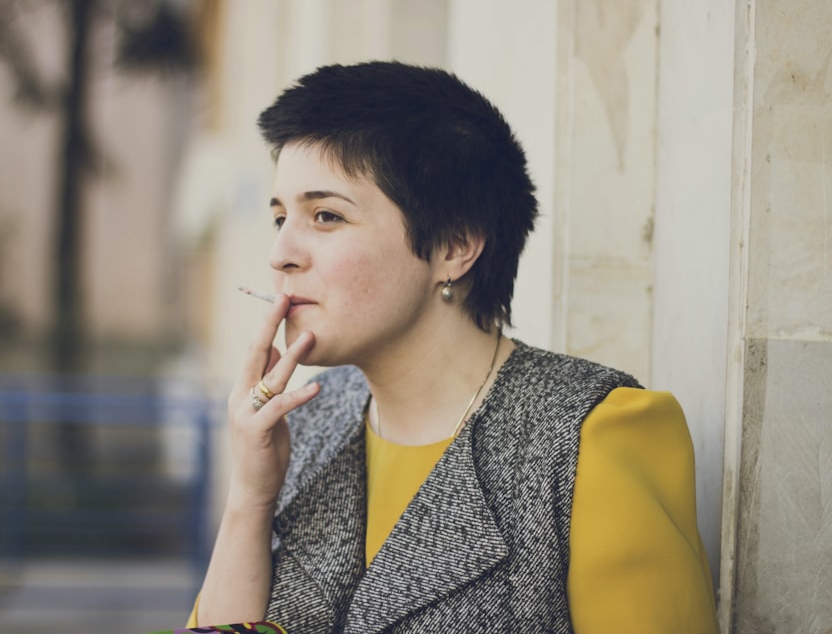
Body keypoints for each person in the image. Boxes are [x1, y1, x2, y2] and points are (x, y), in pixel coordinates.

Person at [189, 61, 718, 633]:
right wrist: (248, 496)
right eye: (279, 218)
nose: (282, 253)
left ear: (455, 246)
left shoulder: (593, 434)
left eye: (325, 216)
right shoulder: (309, 419)